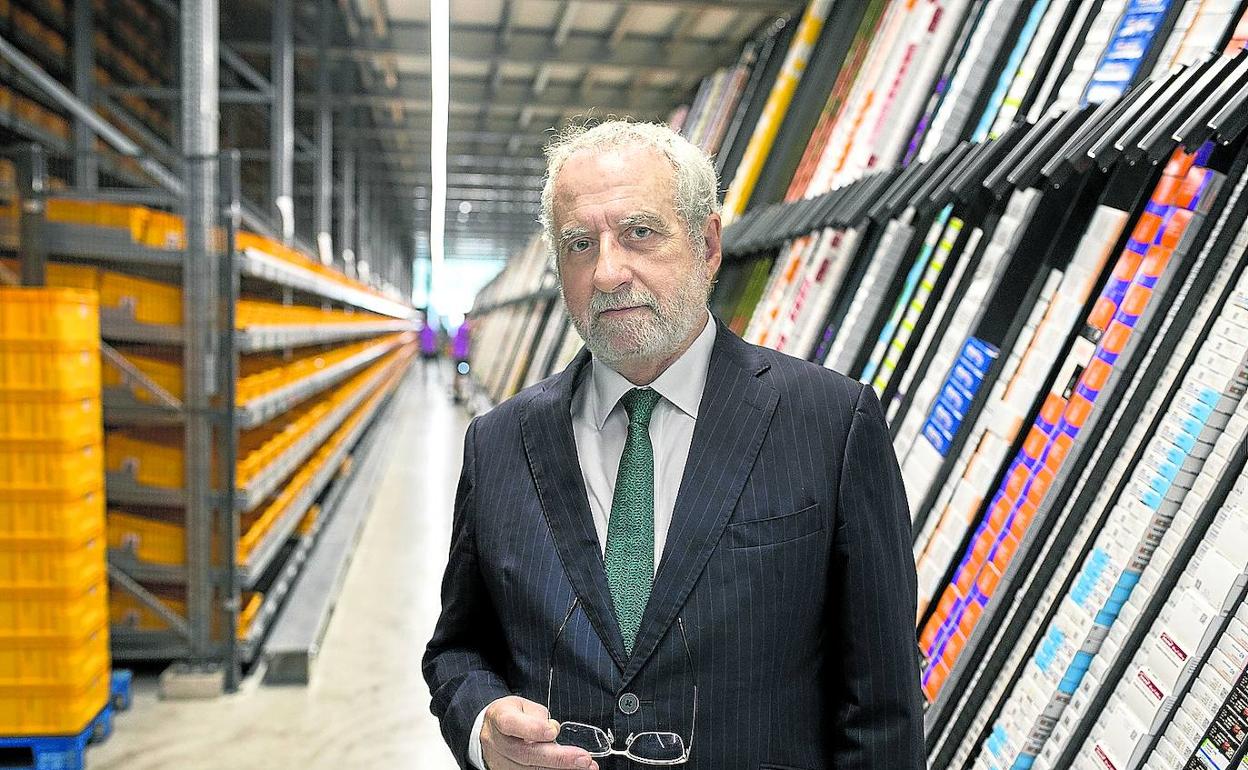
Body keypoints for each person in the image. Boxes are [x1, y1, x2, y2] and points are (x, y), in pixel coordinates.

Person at [423, 121, 924, 770]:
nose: (607, 272)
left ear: (708, 245)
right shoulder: (499, 444)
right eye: (579, 244)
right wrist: (482, 727)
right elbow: (457, 650)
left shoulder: (830, 423)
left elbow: (882, 707)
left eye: (640, 232)